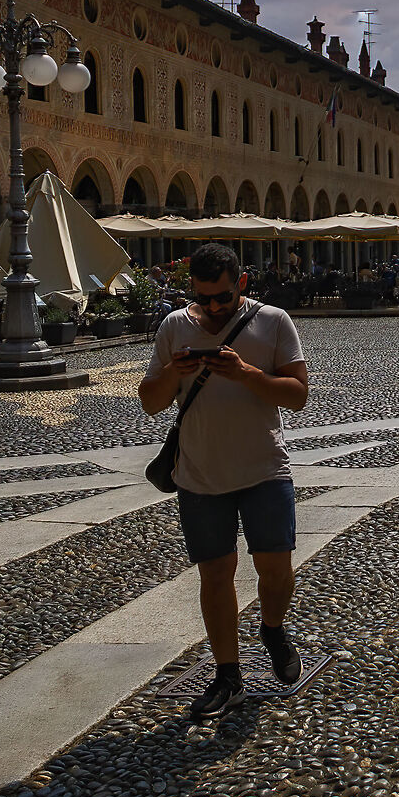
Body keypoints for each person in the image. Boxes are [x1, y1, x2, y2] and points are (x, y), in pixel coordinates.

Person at [137, 241, 310, 718]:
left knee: (275, 571)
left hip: (264, 470)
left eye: (222, 298)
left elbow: (297, 394)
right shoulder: (175, 326)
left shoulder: (273, 321)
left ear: (242, 285)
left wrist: (246, 372)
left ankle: (272, 628)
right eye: (203, 297)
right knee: (216, 577)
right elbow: (151, 401)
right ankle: (228, 675)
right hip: (199, 475)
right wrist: (174, 370)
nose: (212, 307)